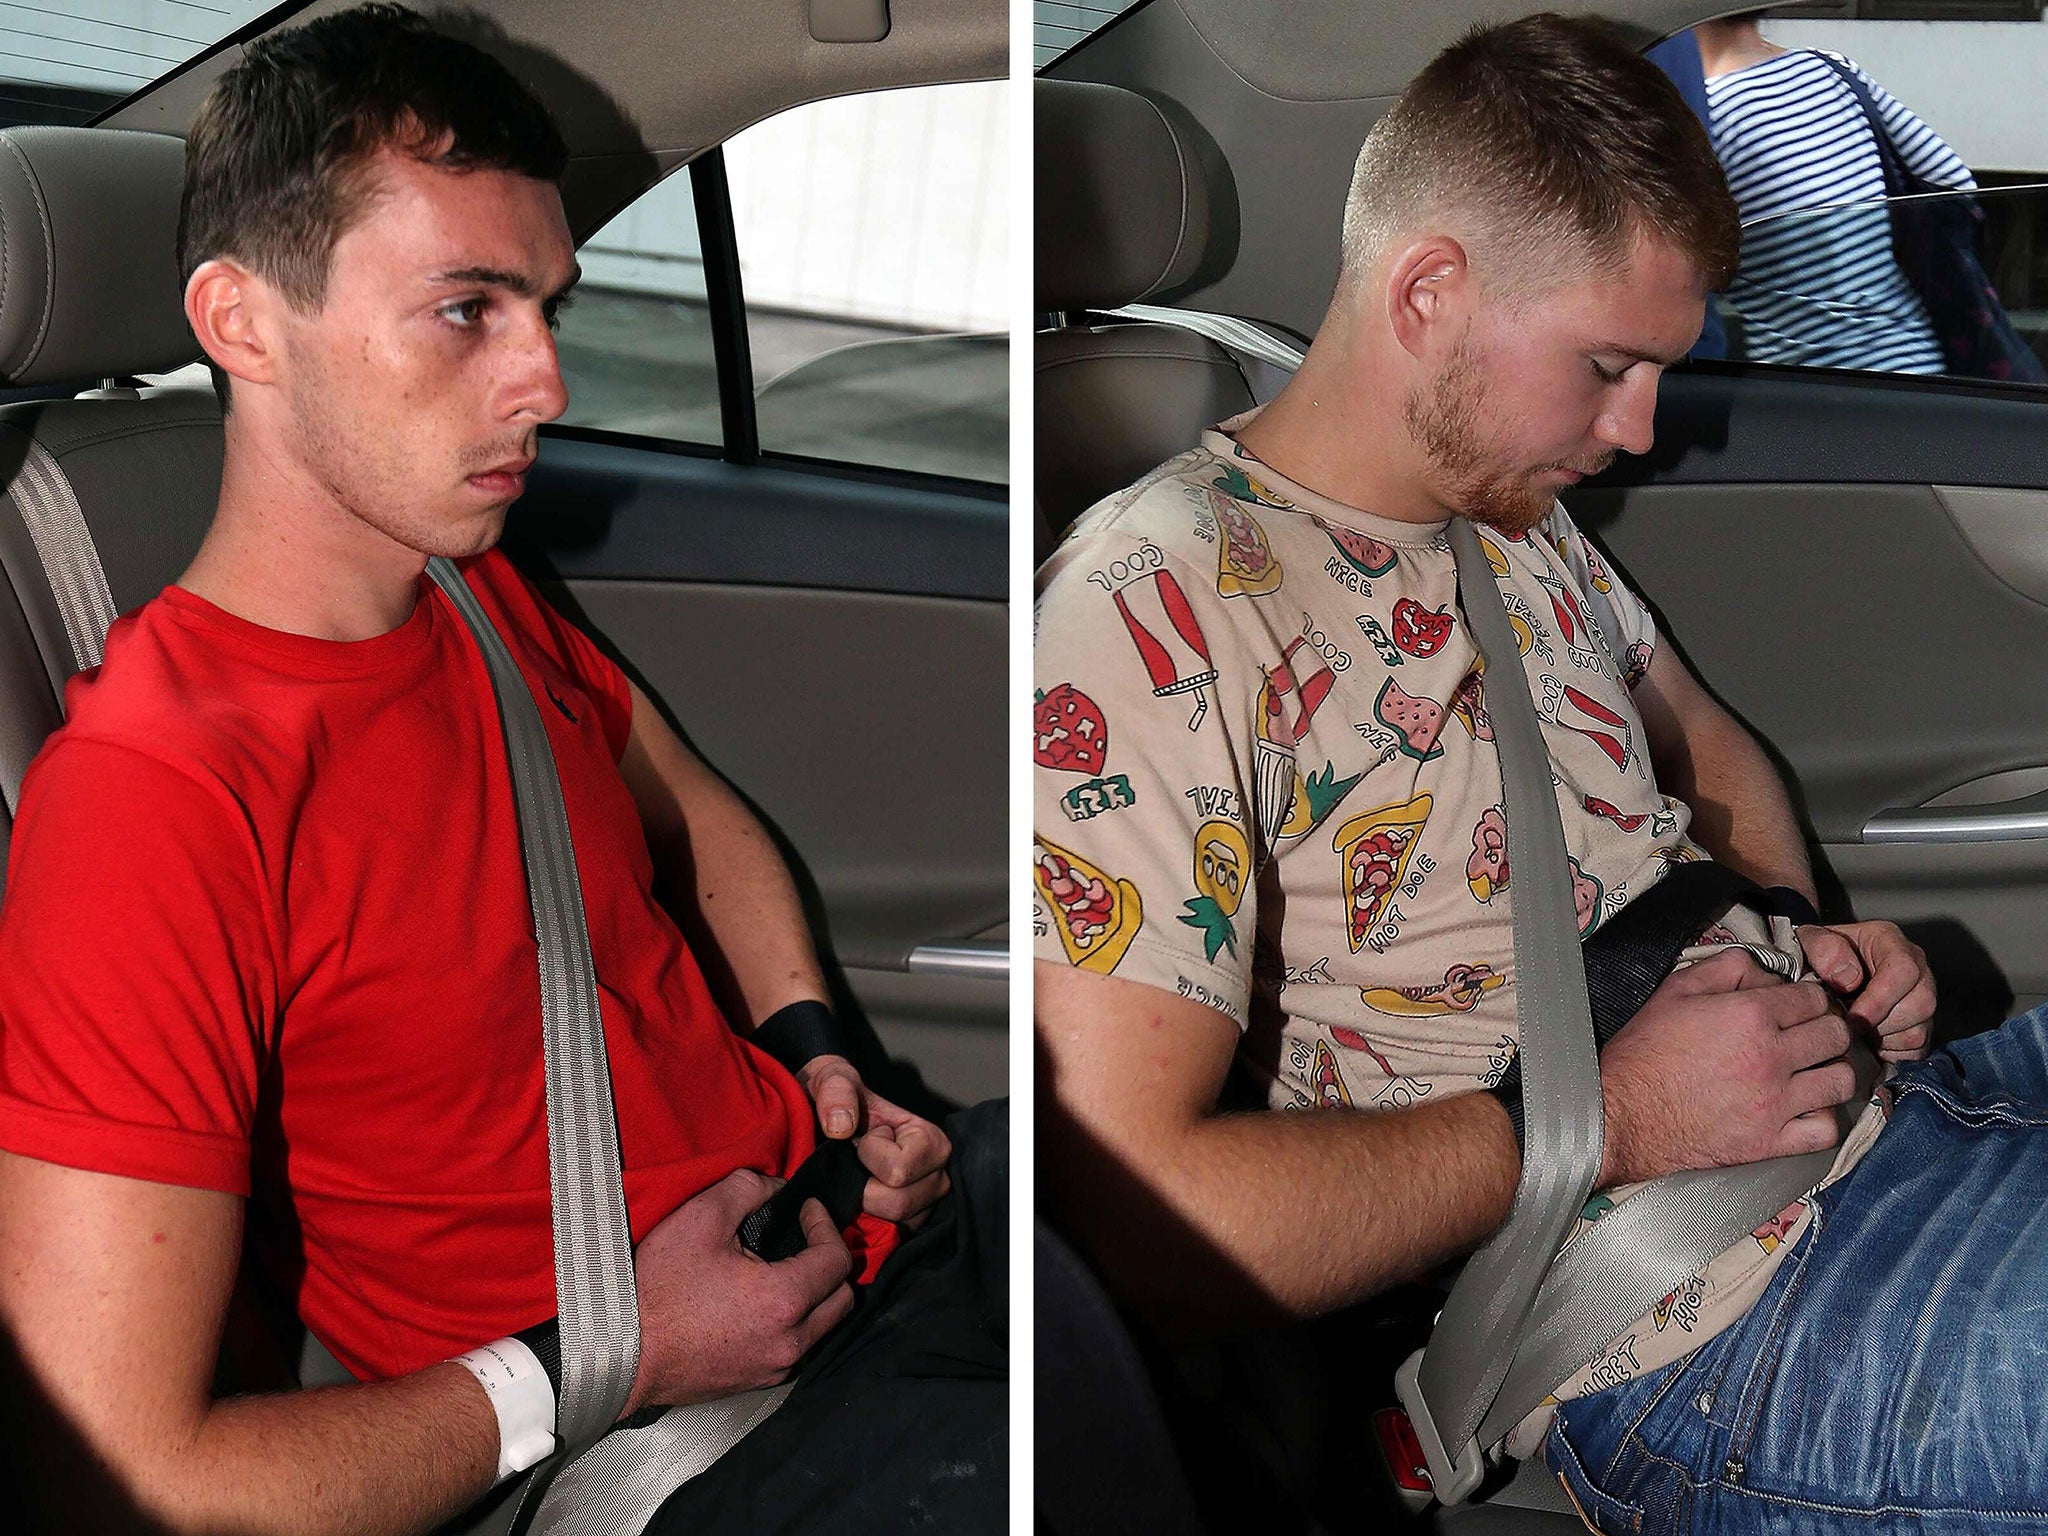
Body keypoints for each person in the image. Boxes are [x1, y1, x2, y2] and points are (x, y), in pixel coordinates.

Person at [1032, 14, 2048, 1531]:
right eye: (1608, 365)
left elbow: (1697, 741)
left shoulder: (1507, 506)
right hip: (1708, 1328)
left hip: (1884, 1119)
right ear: (1430, 290)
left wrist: (1793, 943)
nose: (1638, 432)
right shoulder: (1151, 606)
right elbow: (1134, 1220)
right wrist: (1622, 1121)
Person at [0, 8, 1004, 1534]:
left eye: (546, 306)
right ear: (245, 324)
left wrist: (816, 1058)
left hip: (856, 1246)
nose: (545, 378)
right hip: (674, 1436)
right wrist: (608, 1355)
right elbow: (132, 1474)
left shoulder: (465, 584)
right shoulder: (156, 797)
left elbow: (689, 811)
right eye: (469, 310)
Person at [1695, 12, 1974, 375]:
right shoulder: (1830, 69)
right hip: (1920, 369)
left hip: (1815, 389)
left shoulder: (1707, 120)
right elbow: (1954, 179)